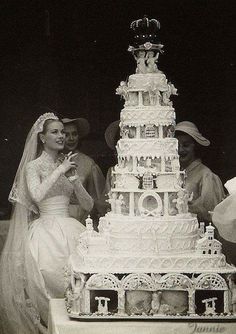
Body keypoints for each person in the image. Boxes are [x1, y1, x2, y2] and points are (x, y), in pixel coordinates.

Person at [0, 113, 94, 334]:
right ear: (42, 138)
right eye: (55, 132)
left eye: (62, 131)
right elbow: (37, 194)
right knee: (48, 277)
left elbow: (88, 205)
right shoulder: (33, 166)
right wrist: (59, 171)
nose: (61, 136)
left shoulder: (67, 163)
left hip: (70, 227)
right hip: (45, 231)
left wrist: (74, 180)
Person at [175, 121, 225, 223]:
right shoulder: (172, 174)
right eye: (176, 146)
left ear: (195, 146)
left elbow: (209, 211)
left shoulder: (206, 175)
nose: (180, 150)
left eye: (185, 145)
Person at [61, 118, 105, 224]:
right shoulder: (51, 160)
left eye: (74, 134)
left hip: (80, 220)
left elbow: (96, 199)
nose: (71, 138)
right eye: (66, 135)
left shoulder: (88, 163)